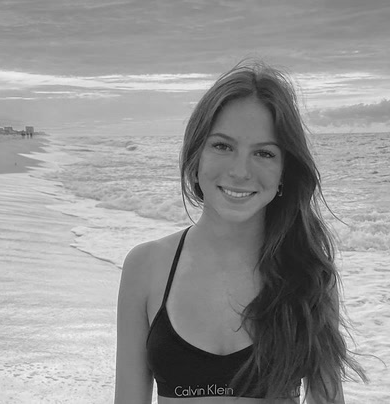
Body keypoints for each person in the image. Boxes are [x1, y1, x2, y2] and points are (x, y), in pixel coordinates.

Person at [115, 61, 367, 404]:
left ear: (284, 171)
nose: (240, 171)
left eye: (264, 153)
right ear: (196, 156)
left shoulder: (307, 273)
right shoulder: (146, 267)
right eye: (223, 146)